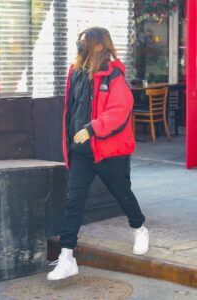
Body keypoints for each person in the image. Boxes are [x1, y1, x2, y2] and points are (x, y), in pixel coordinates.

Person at [47, 27, 149, 281]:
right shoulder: (76, 72)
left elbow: (120, 109)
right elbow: (72, 109)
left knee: (122, 194)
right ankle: (67, 255)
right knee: (74, 203)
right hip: (81, 151)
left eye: (84, 42)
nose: (80, 46)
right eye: (79, 41)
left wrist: (92, 129)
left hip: (108, 150)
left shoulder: (113, 75)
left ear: (99, 46)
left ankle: (139, 227)